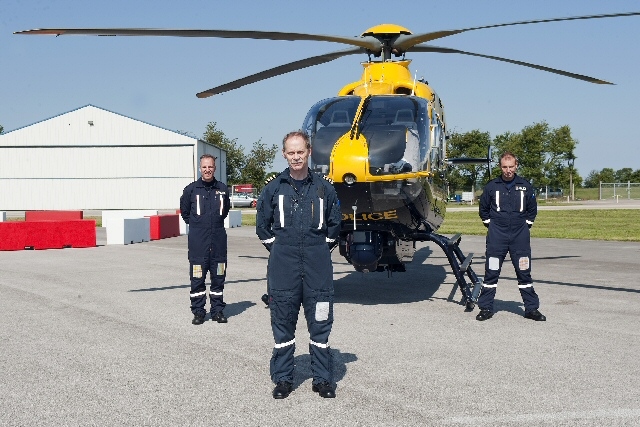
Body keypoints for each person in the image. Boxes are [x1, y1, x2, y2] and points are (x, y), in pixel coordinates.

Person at [256, 131, 342, 399]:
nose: (296, 157)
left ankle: (323, 379)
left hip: (318, 265)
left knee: (320, 323)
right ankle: (283, 379)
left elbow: (334, 226)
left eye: (300, 152)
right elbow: (262, 227)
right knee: (282, 323)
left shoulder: (324, 188)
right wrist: (281, 249)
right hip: (284, 266)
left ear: (309, 152)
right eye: (291, 152)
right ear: (284, 154)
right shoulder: (273, 188)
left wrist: (317, 250)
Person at [476, 152, 546, 322]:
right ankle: (486, 307)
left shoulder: (525, 186)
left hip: (519, 236)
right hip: (497, 237)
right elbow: (483, 209)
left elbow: (532, 209)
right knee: (491, 273)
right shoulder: (492, 186)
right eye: (504, 167)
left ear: (516, 166)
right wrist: (492, 225)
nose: (508, 170)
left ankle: (531, 309)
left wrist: (525, 226)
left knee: (524, 273)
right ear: (500, 167)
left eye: (511, 167)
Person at [180, 154, 231, 325]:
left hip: (218, 242)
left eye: (210, 167)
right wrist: (198, 226)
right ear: (200, 168)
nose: (207, 170)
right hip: (198, 244)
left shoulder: (222, 189)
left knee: (218, 277)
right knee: (197, 279)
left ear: (214, 168)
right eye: (204, 167)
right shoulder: (191, 190)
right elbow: (185, 213)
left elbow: (224, 212)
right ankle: (199, 312)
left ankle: (217, 311)